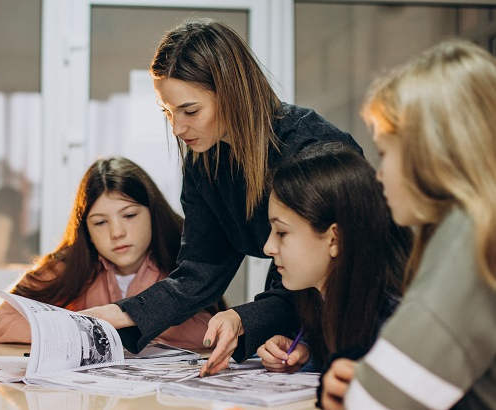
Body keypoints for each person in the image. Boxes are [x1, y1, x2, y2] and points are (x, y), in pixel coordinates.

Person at [79, 18, 361, 369]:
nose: (179, 128)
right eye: (168, 113)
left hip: (356, 321)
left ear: (231, 92)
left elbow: (327, 272)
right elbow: (199, 271)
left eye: (190, 110)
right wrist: (120, 312)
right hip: (302, 328)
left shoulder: (313, 150)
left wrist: (249, 318)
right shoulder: (204, 161)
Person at [321, 40, 496, 409]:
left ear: (430, 152)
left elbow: (373, 404)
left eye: (385, 153)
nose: (380, 175)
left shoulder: (471, 238)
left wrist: (360, 392)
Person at [0, 157, 222, 349]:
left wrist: (124, 320)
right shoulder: (70, 265)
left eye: (129, 215)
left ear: (153, 213)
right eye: (100, 222)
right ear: (86, 230)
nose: (117, 233)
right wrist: (83, 329)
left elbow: (210, 330)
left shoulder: (185, 262)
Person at [249, 143, 410, 378]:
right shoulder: (322, 304)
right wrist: (308, 354)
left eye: (281, 232)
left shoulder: (396, 326)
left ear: (334, 239)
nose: (268, 247)